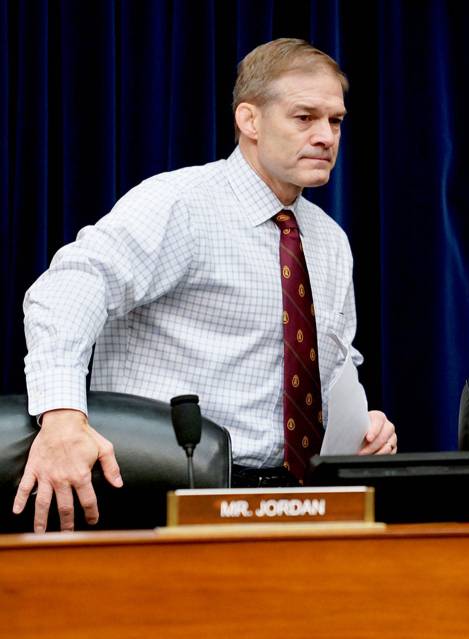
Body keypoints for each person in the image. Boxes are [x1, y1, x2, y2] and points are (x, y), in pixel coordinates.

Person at [16, 38, 396, 533]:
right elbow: (68, 289)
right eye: (305, 118)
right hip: (168, 496)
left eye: (336, 120)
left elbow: (333, 363)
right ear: (249, 121)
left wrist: (361, 425)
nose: (326, 136)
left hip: (293, 504)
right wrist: (62, 416)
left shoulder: (329, 241)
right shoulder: (181, 206)